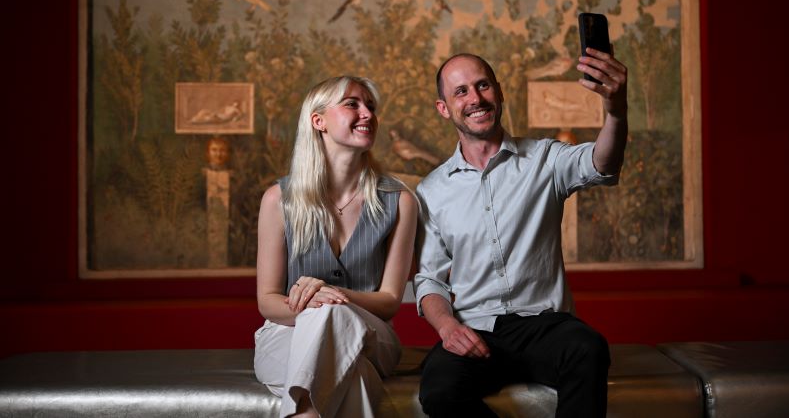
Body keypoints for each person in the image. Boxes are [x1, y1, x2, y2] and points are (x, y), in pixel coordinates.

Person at [414, 48, 628, 417]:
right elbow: (429, 280)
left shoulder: (545, 158)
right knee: (438, 389)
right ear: (444, 108)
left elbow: (602, 163)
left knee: (588, 347)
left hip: (546, 326)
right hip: (475, 328)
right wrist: (448, 327)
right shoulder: (431, 191)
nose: (475, 99)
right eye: (461, 91)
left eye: (482, 86)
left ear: (498, 91)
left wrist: (616, 109)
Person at [253, 76, 417, 417]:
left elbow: (388, 303)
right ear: (318, 121)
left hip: (373, 336)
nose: (367, 114)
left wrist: (330, 296)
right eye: (352, 104)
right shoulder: (278, 201)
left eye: (371, 106)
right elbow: (268, 302)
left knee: (332, 316)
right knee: (347, 371)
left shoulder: (399, 201)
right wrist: (317, 307)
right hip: (287, 332)